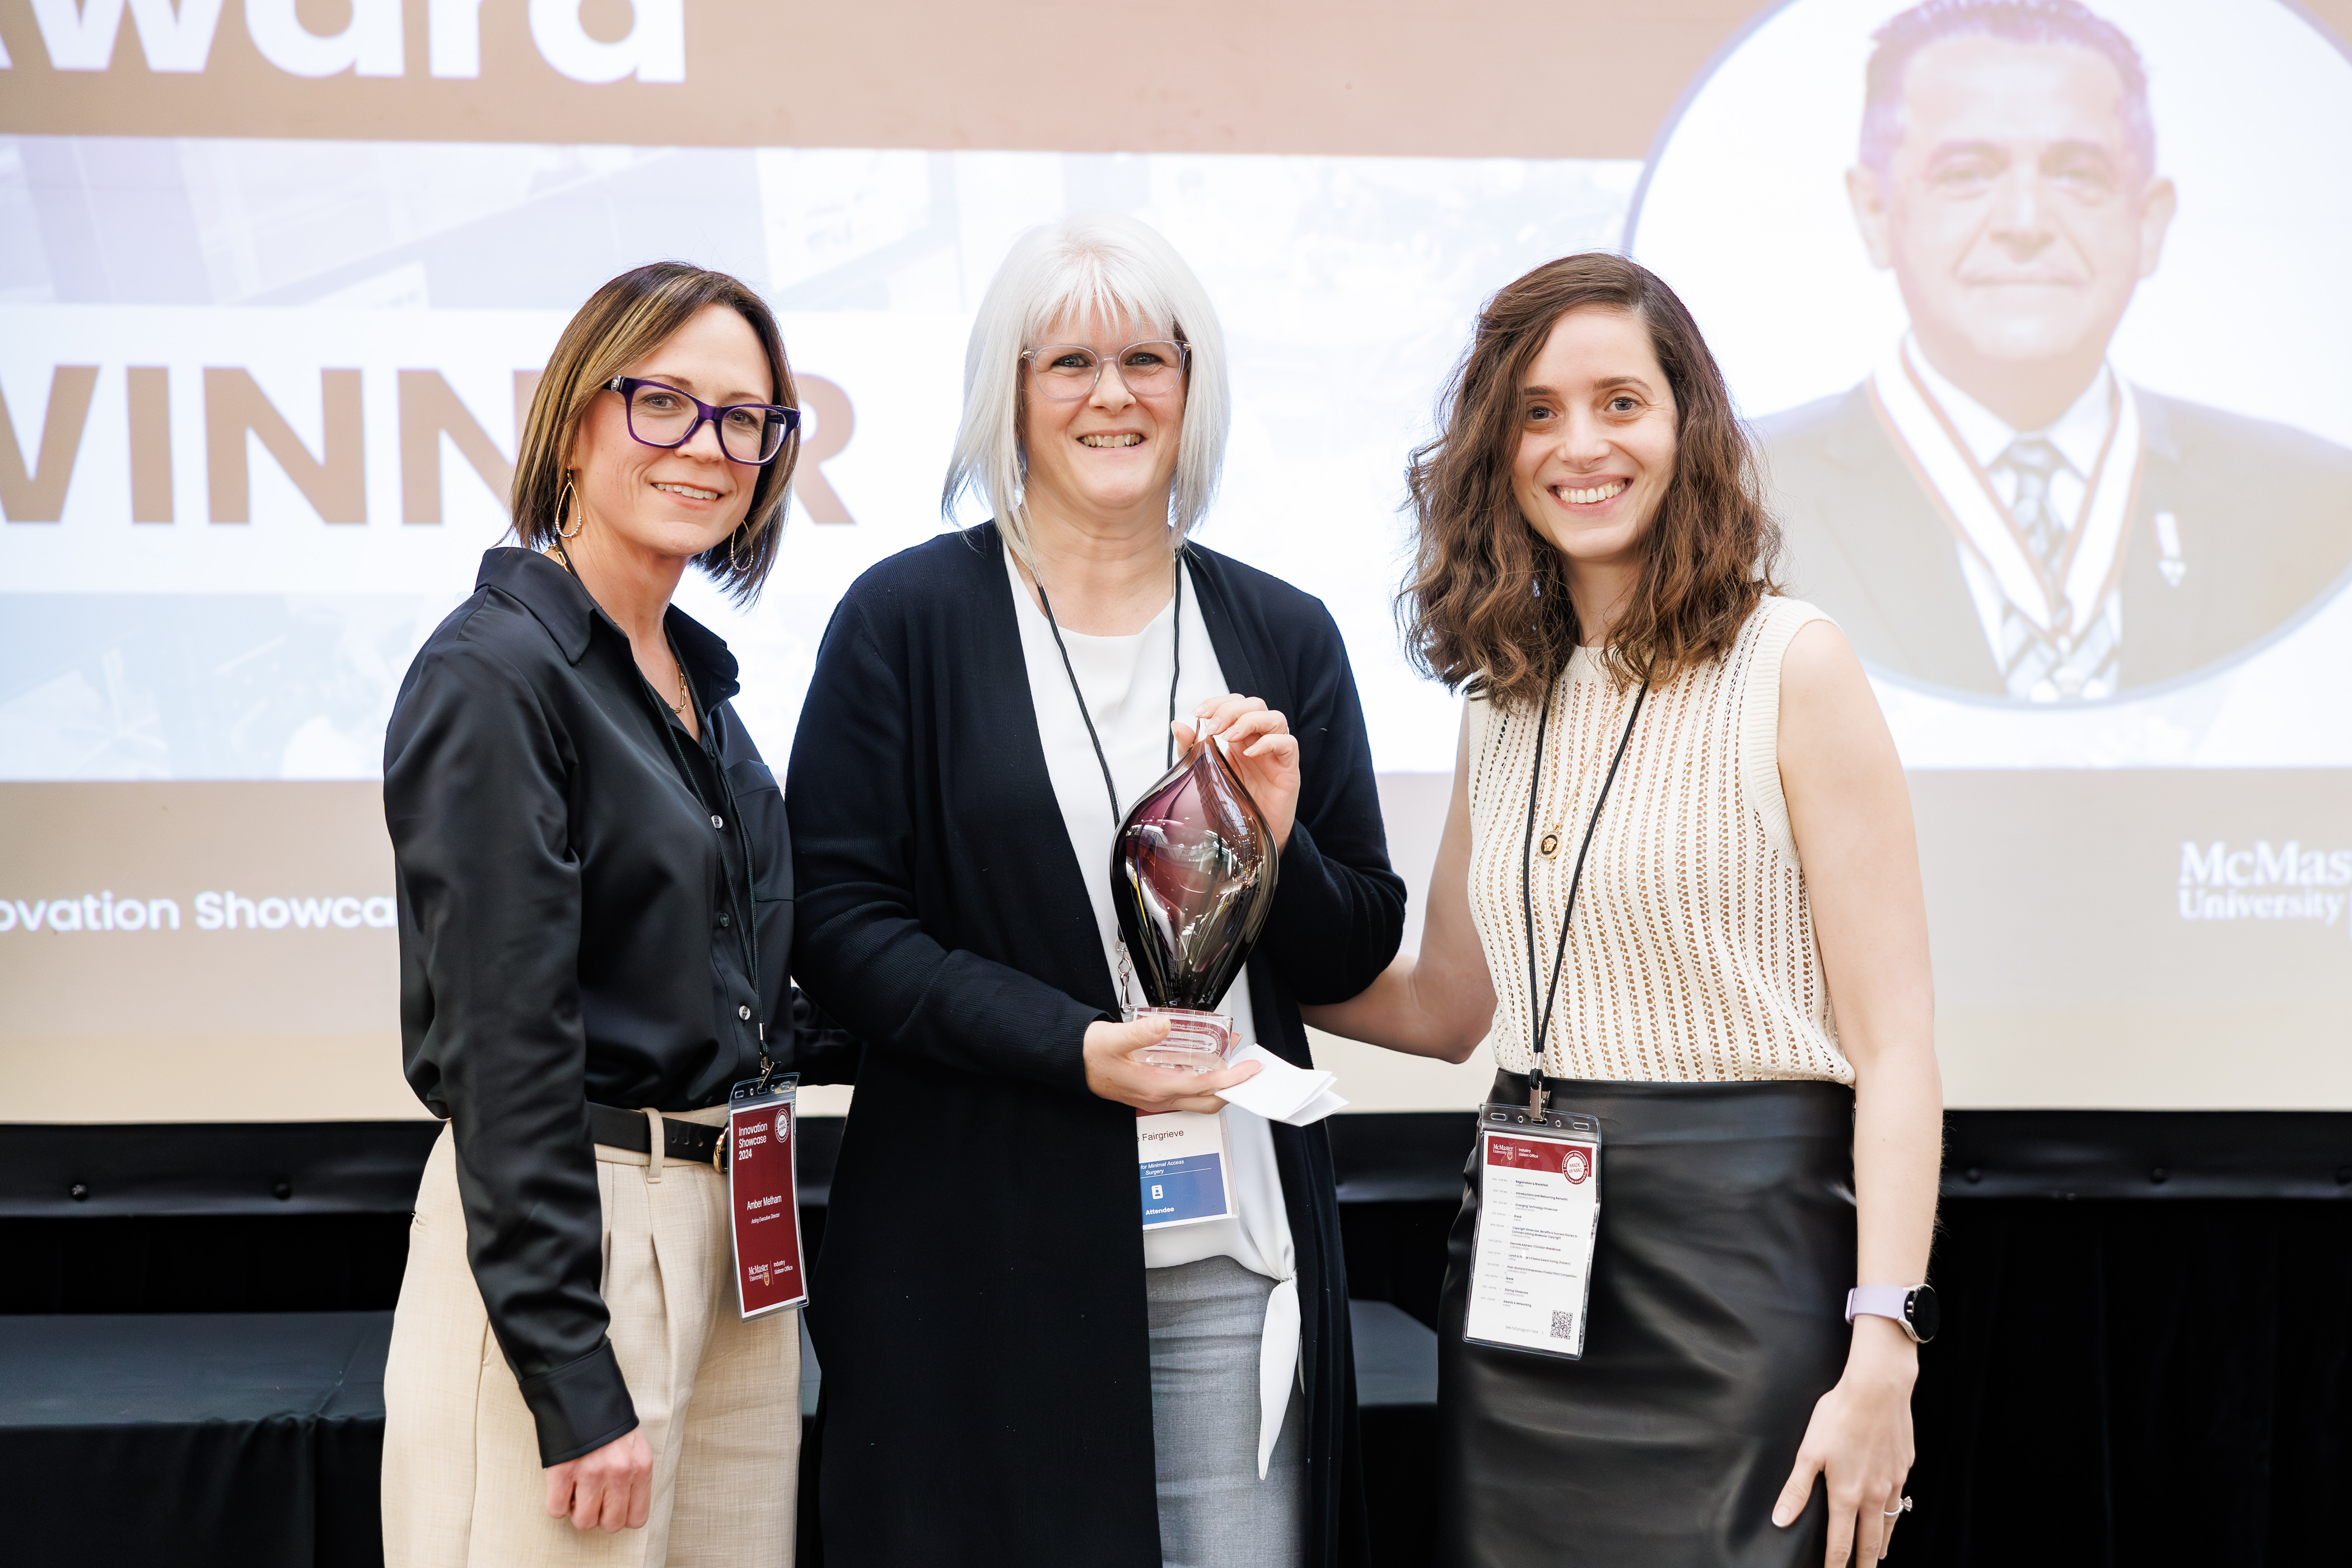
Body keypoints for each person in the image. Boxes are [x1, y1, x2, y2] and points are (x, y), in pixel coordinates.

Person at [785, 213, 1406, 1567]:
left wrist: (1281, 846)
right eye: (1066, 361)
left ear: (1196, 387)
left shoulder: (1282, 631)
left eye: (1146, 359)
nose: (1112, 394)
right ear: (1007, 393)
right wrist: (1073, 1051)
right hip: (973, 1248)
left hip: (1232, 1262)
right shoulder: (904, 624)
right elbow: (837, 927)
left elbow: (1356, 941)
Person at [1305, 253, 1944, 1567]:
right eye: (1536, 411)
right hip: (1526, 1289)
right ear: (1495, 449)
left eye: (1619, 402)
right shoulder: (1504, 700)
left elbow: (1898, 1048)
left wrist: (1885, 1338)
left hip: (1743, 1276)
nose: (1579, 444)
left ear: (1685, 428)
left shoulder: (1793, 664)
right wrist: (1219, 940)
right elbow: (1444, 1011)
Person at [380, 262, 854, 1567]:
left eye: (746, 419)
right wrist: (571, 1381)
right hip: (581, 1243)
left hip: (734, 1238)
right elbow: (504, 1039)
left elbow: (751, 998)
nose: (708, 447)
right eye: (666, 403)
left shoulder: (699, 691)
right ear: (578, 420)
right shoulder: (497, 676)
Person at [1760, 0, 2352, 701]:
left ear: (2150, 219)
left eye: (2077, 173)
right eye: (1966, 173)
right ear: (1876, 212)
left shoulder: (2313, 497)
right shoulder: (1741, 498)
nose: (2025, 223)